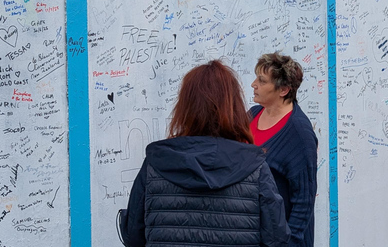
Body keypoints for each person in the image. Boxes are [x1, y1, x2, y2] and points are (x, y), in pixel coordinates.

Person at [118, 60, 290, 247]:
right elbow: (276, 239)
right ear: (234, 108)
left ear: (184, 108)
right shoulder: (255, 167)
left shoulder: (154, 164)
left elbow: (133, 237)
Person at [250, 53, 318, 247]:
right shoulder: (251, 116)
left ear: (284, 90)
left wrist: (290, 243)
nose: (254, 84)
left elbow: (304, 201)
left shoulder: (299, 133)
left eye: (262, 81)